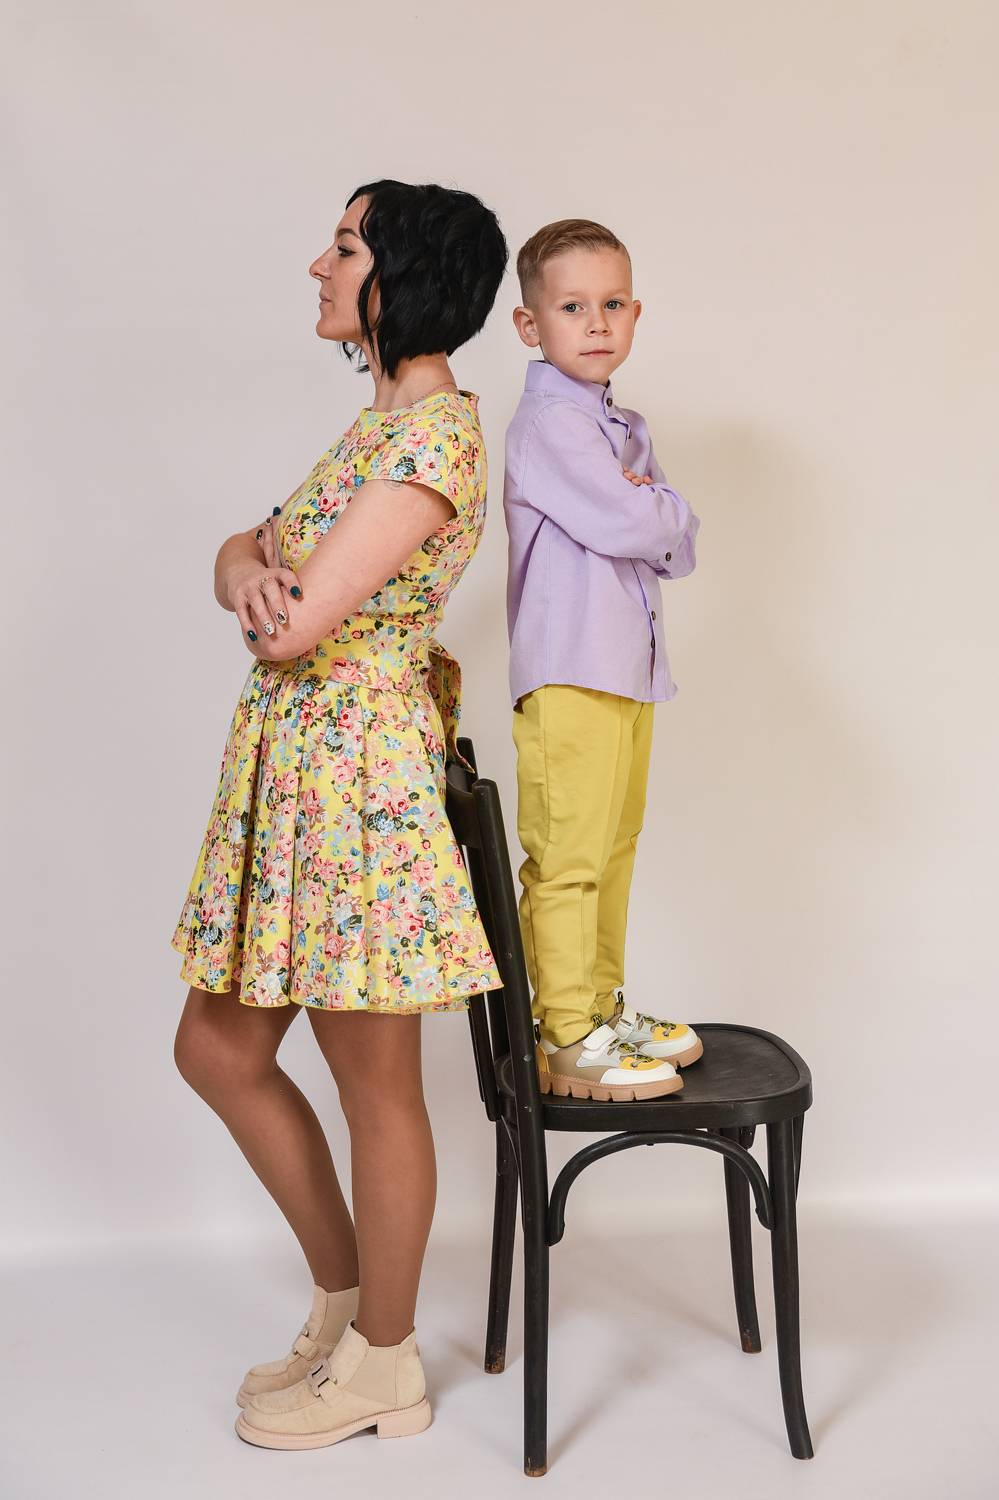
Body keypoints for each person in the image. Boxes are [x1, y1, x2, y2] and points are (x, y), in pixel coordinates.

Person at [171, 179, 507, 1450]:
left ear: (401, 276)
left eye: (347, 245)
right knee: (219, 1049)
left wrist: (266, 591)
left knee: (376, 1089)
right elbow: (239, 554)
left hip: (360, 789)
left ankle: (387, 1367)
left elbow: (292, 626)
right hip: (304, 776)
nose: (320, 264)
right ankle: (349, 1304)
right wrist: (249, 572)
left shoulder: (432, 444)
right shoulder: (377, 432)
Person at [504, 218, 703, 1103]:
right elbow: (641, 523)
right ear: (529, 324)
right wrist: (657, 507)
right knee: (569, 856)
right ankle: (566, 1033)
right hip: (571, 671)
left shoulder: (616, 423)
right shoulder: (552, 422)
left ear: (635, 313)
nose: (595, 323)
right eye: (571, 307)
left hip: (625, 668)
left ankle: (599, 1007)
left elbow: (676, 545)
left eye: (612, 304)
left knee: (613, 847)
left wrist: (655, 512)